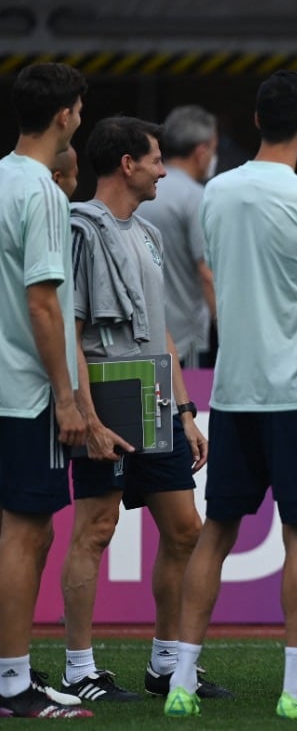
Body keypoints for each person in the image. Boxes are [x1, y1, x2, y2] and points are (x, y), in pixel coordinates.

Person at [162, 70, 297, 720]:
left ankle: (182, 680)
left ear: (254, 120)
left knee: (217, 531)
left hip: (235, 389)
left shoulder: (216, 192)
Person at [58, 117, 228, 704]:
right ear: (127, 164)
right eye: (155, 160)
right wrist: (87, 416)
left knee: (185, 530)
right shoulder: (80, 230)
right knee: (96, 529)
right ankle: (79, 669)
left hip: (156, 398)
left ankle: (166, 663)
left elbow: (163, 332)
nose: (163, 170)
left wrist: (185, 411)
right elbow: (70, 334)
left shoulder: (149, 233)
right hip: (106, 399)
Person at [0, 61, 93, 719]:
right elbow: (42, 302)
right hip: (26, 391)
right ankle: (11, 682)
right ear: (65, 115)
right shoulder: (42, 192)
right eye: (79, 110)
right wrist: (66, 396)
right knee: (26, 534)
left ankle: (11, 670)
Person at [136, 105, 218, 370]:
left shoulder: (144, 190)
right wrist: (226, 330)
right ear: (201, 151)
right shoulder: (195, 197)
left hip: (144, 333)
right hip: (186, 338)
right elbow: (206, 273)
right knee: (189, 397)